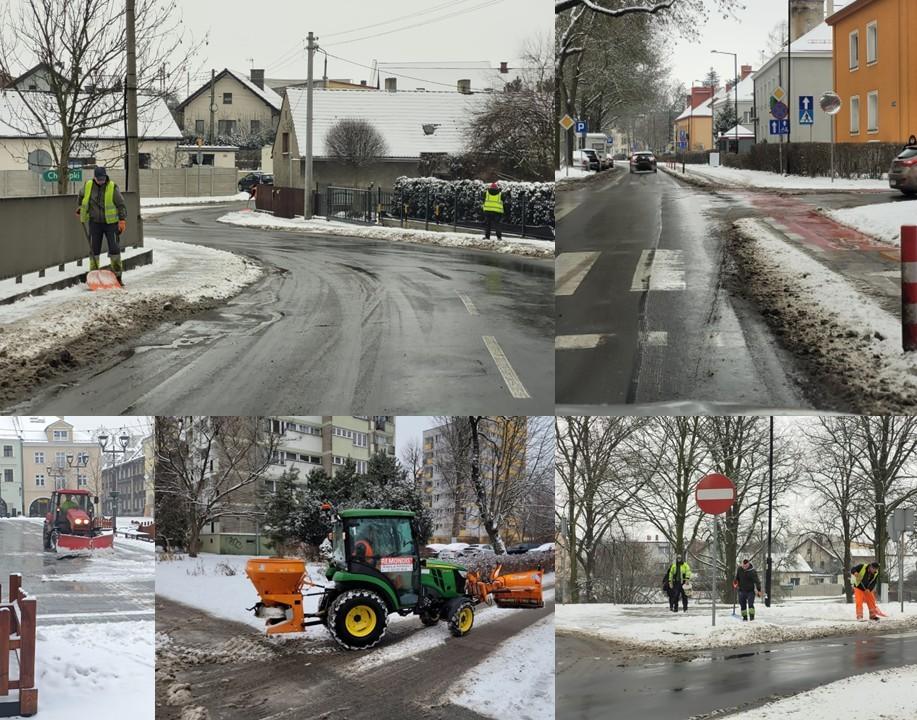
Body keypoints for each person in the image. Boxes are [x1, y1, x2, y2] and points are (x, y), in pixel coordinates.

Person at [76, 166, 128, 285]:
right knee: (94, 249)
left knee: (114, 249)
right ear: (94, 177)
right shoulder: (88, 185)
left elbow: (121, 204)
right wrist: (80, 208)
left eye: (103, 178)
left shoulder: (112, 187)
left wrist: (122, 220)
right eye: (99, 179)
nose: (101, 181)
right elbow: (81, 197)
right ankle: (94, 275)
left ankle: (117, 276)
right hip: (95, 223)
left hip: (111, 224)